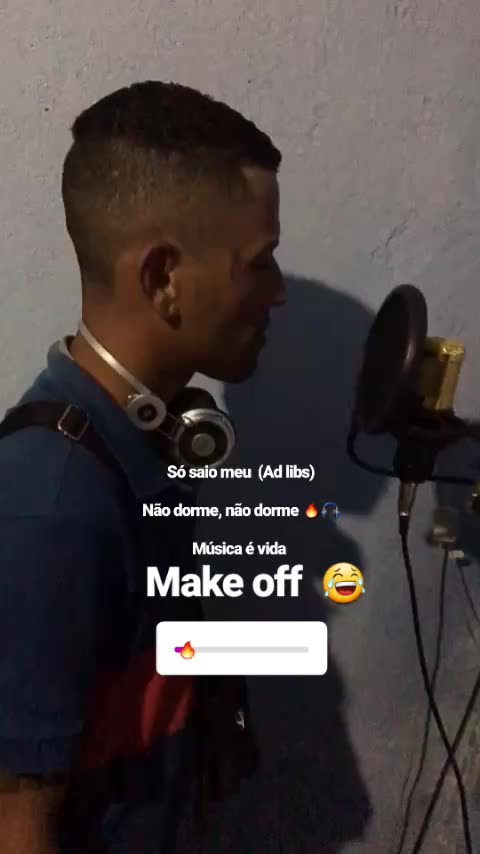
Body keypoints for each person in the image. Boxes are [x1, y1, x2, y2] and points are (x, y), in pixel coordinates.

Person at [0, 81, 285, 854]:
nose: (278, 294)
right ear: (162, 278)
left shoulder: (137, 443)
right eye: (261, 264)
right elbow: (16, 826)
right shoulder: (50, 507)